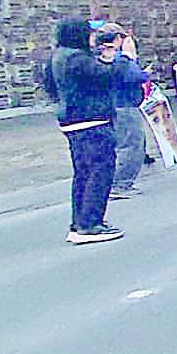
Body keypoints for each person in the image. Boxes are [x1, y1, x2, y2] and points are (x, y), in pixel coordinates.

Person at [42, 19, 123, 245]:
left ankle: (80, 222)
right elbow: (108, 76)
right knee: (100, 171)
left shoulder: (57, 57)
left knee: (83, 174)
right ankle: (90, 225)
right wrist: (112, 58)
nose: (93, 39)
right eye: (90, 34)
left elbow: (50, 87)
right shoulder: (78, 59)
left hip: (72, 122)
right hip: (91, 121)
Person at [101, 24, 151, 200]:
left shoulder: (102, 56)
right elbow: (132, 76)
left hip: (113, 105)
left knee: (121, 144)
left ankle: (115, 182)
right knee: (131, 144)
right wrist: (133, 59)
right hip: (125, 105)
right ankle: (121, 183)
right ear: (118, 39)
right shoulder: (121, 58)